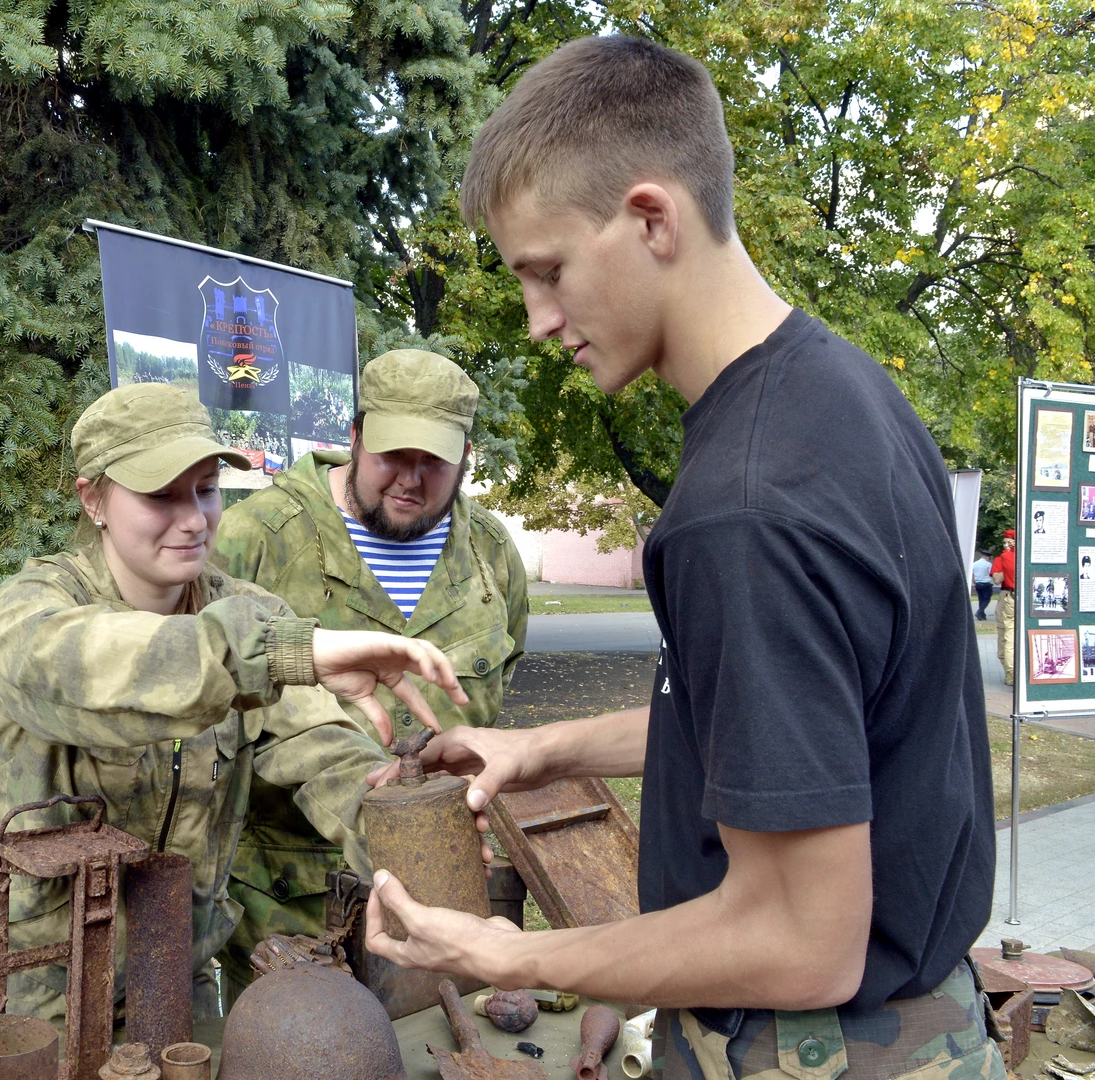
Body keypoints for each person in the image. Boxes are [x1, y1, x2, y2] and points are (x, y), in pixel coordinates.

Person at [363, 35, 1002, 1080]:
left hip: (813, 1050)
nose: (538, 322)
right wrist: (544, 748)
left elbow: (800, 942)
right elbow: (793, 740)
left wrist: (508, 953)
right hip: (927, 1026)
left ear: (652, 218)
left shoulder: (741, 512)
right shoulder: (845, 397)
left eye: (548, 271)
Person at [0, 382, 468, 1019]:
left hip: (172, 977)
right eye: (161, 495)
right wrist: (273, 654)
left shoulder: (247, 613)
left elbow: (318, 747)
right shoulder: (33, 608)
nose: (193, 519)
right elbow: (78, 666)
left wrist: (400, 819)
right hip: (29, 986)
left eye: (206, 489)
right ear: (93, 499)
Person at [211, 349, 528, 998]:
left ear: (466, 458)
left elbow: (506, 669)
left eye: (433, 461)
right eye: (392, 456)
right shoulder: (254, 539)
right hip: (291, 917)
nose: (410, 480)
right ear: (355, 438)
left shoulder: (491, 553)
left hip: (451, 897)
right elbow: (209, 703)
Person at [993, 531, 1017, 685]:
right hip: (1009, 594)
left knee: (1007, 636)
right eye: (1004, 542)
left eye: (1009, 542)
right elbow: (997, 579)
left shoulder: (1005, 557)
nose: (1006, 545)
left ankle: (1011, 674)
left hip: (1010, 596)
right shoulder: (1003, 558)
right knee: (1005, 635)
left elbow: (997, 578)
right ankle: (1010, 673)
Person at [972, 552, 993, 621]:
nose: (990, 558)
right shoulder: (988, 564)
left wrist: (973, 583)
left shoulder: (974, 564)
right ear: (987, 557)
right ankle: (979, 612)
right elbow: (991, 574)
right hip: (986, 583)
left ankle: (982, 615)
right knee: (986, 599)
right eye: (989, 557)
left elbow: (972, 574)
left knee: (981, 599)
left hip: (978, 583)